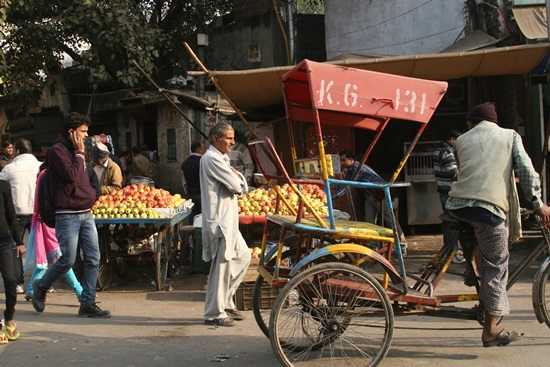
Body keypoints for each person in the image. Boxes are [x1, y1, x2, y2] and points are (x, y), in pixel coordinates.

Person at [447, 102, 550, 347]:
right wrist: (538, 204)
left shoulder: (461, 140)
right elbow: (526, 171)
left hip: (458, 206)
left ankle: (472, 270)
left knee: (480, 238)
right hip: (487, 208)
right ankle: (491, 330)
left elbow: (471, 171)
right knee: (497, 265)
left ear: (472, 123)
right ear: (494, 121)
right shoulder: (510, 135)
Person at [31, 112, 111, 318]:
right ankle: (42, 286)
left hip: (86, 213)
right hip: (67, 214)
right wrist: (79, 152)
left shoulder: (79, 153)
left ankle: (88, 303)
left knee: (94, 258)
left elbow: (89, 178)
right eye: (83, 131)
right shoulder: (57, 152)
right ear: (71, 132)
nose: (86, 136)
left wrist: (92, 195)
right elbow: (73, 176)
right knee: (67, 259)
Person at [201, 123, 251, 327]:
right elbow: (237, 185)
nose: (232, 142)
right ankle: (214, 312)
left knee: (243, 256)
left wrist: (237, 177)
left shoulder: (221, 158)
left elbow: (239, 184)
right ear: (216, 139)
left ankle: (227, 300)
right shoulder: (212, 159)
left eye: (233, 138)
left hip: (229, 221)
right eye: (228, 138)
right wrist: (238, 176)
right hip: (220, 221)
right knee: (221, 267)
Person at [24, 167, 83, 302]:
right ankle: (80, 291)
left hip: (45, 220)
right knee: (61, 259)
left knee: (51, 259)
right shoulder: (49, 176)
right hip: (51, 221)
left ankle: (31, 290)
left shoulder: (43, 175)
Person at [333, 150, 407, 253]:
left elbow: (347, 186)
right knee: (369, 221)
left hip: (380, 195)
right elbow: (344, 184)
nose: (341, 163)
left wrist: (331, 197)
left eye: (343, 160)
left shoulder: (357, 169)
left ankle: (402, 245)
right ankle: (374, 247)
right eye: (341, 161)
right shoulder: (350, 169)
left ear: (351, 160)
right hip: (370, 196)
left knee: (390, 220)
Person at [0, 139, 43, 294]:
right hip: (37, 213)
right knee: (40, 248)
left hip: (16, 213)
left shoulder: (9, 169)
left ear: (17, 151)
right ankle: (43, 281)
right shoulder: (39, 166)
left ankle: (18, 283)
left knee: (15, 249)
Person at [433, 130, 465, 264]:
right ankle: (453, 252)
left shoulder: (437, 150)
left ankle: (448, 250)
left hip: (442, 191)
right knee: (453, 223)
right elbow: (454, 172)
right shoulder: (447, 152)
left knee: (448, 222)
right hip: (450, 192)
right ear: (452, 139)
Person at [0, 179, 25, 343]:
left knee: (10, 280)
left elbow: (11, 214)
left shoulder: (3, 186)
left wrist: (19, 241)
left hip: (3, 241)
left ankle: (9, 317)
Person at [181, 140, 206, 222]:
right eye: (204, 148)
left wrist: (187, 192)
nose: (205, 150)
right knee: (202, 217)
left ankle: (190, 233)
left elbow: (184, 181)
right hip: (202, 194)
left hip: (191, 194)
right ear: (198, 150)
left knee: (192, 215)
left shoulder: (185, 163)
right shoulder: (203, 161)